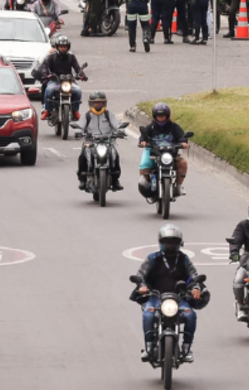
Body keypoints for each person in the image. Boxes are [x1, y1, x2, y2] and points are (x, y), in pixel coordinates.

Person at [133, 224, 201, 364]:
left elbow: (194, 276)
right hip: (155, 297)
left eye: (173, 242)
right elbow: (141, 275)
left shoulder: (184, 259)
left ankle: (186, 349)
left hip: (179, 298)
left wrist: (196, 288)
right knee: (148, 314)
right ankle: (149, 347)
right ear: (161, 242)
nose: (170, 245)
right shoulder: (152, 259)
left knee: (190, 315)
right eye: (167, 242)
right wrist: (142, 286)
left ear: (179, 243)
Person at [138, 102, 189, 198]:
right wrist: (143, 142)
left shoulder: (174, 127)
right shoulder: (151, 127)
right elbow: (143, 136)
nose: (161, 118)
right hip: (153, 153)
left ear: (167, 116)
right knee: (144, 164)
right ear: (155, 116)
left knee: (183, 163)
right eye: (159, 116)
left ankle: (178, 186)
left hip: (171, 154)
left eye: (163, 116)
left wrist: (183, 143)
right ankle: (146, 186)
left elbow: (182, 137)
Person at [75, 91, 123, 191]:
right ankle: (82, 179)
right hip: (91, 142)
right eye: (96, 102)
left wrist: (120, 131)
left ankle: (115, 180)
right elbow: (79, 126)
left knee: (115, 156)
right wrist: (78, 132)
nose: (98, 104)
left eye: (100, 102)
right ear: (91, 103)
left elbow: (117, 124)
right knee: (82, 156)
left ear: (104, 103)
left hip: (107, 142)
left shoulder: (108, 114)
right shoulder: (87, 116)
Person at [35, 35, 86, 121]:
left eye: (64, 47)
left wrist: (81, 75)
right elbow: (45, 67)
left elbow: (77, 68)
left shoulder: (71, 57)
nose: (63, 49)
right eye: (61, 47)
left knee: (78, 91)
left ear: (68, 47)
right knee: (49, 90)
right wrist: (45, 74)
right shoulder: (51, 57)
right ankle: (47, 110)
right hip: (55, 82)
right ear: (57, 47)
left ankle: (75, 111)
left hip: (68, 82)